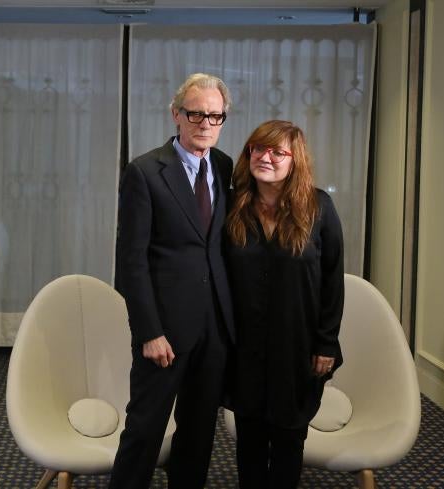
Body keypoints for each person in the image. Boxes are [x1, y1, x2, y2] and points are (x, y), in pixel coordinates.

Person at [109, 73, 236, 489]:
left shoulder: (223, 165)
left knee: (199, 432)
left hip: (213, 330)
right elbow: (131, 261)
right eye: (196, 113)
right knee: (145, 430)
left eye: (215, 116)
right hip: (163, 332)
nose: (206, 123)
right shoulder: (145, 172)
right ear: (176, 114)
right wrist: (149, 331)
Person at [224, 120, 345, 489]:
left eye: (278, 151)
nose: (265, 157)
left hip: (298, 348)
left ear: (296, 160)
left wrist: (327, 341)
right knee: (250, 442)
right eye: (258, 149)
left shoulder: (319, 207)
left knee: (290, 440)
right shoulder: (231, 206)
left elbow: (333, 280)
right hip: (243, 348)